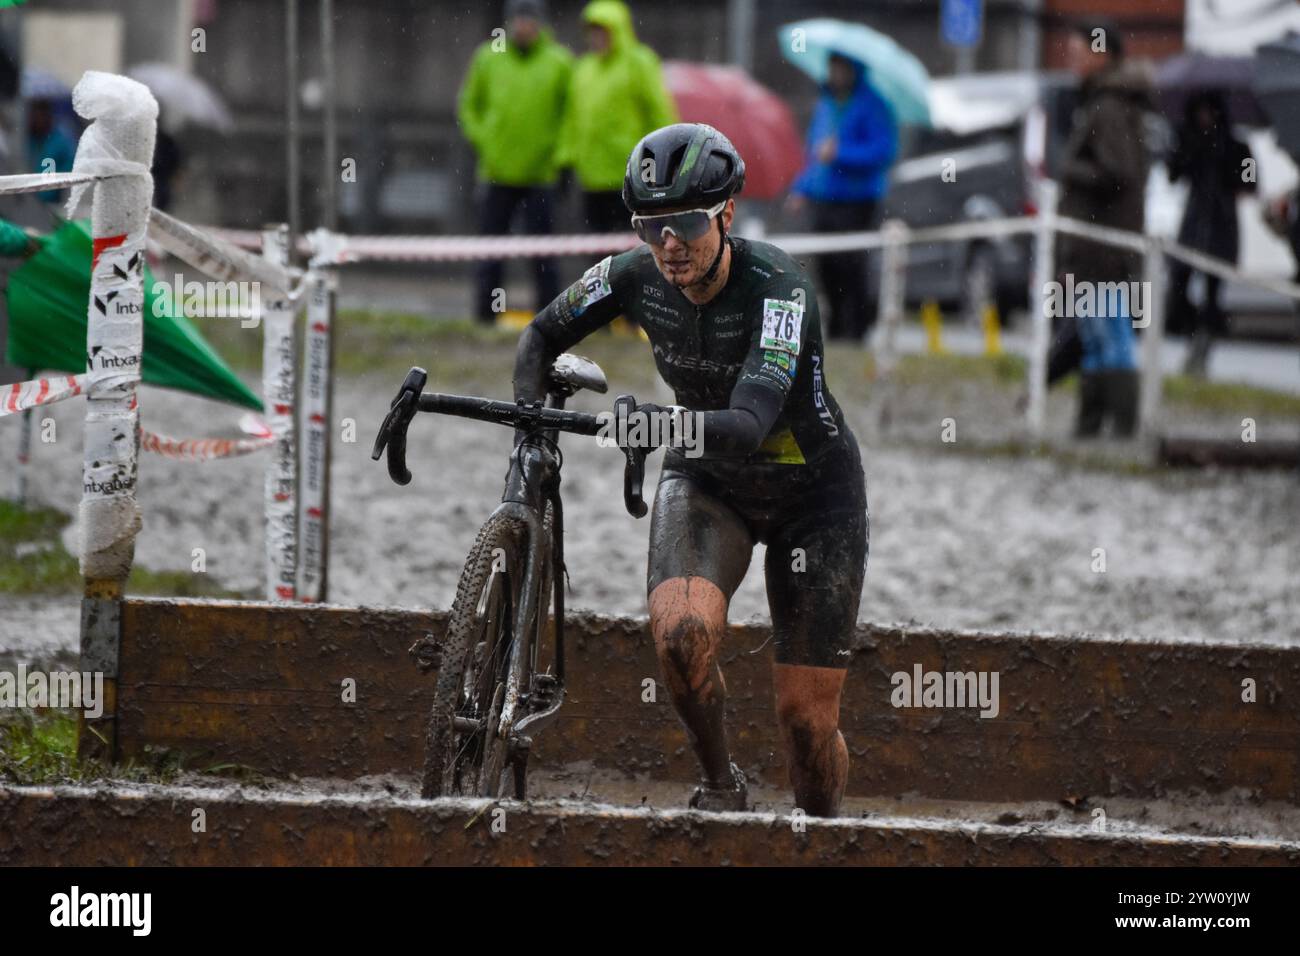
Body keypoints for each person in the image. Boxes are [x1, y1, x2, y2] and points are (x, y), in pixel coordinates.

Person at [513, 124, 869, 816]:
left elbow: (747, 425)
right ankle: (719, 786)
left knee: (805, 724)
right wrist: (532, 430)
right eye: (651, 227)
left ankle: (823, 833)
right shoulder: (633, 274)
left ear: (727, 214)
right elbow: (539, 334)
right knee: (679, 636)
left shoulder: (781, 291)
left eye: (685, 223)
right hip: (709, 483)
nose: (669, 244)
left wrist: (657, 422)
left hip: (814, 496)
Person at [1045, 20, 1152, 438]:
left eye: (1079, 51)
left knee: (1113, 338)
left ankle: (1123, 428)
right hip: (1093, 246)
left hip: (1105, 245)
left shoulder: (1107, 107)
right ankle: (1090, 426)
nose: (1073, 59)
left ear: (1102, 54)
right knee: (1093, 339)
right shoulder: (1102, 102)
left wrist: (1070, 169)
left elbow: (1120, 171)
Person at [458, 0, 572, 322]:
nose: (523, 27)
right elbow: (468, 106)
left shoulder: (559, 62)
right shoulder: (487, 58)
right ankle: (485, 316)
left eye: (530, 20)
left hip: (540, 174)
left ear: (540, 24)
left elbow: (569, 115)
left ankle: (551, 320)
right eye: (518, 20)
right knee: (491, 251)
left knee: (544, 254)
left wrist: (562, 158)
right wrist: (487, 141)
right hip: (497, 173)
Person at [787, 51, 897, 342]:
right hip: (824, 198)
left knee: (853, 264)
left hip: (857, 200)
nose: (836, 74)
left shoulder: (873, 105)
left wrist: (842, 154)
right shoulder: (825, 104)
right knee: (827, 265)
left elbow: (883, 151)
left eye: (842, 68)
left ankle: (856, 329)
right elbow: (813, 155)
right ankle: (835, 329)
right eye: (833, 68)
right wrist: (801, 189)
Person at [557, 0, 677, 232]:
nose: (596, 37)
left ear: (618, 30)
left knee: (635, 243)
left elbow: (658, 111)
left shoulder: (639, 62)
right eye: (592, 31)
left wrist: (666, 157)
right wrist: (565, 159)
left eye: (602, 30)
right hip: (592, 178)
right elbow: (572, 119)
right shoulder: (583, 69)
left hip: (632, 175)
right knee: (597, 249)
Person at [1165, 89, 1254, 375]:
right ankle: (1194, 334)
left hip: (1221, 226)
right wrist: (1188, 148)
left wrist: (1227, 162)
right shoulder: (1189, 140)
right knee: (1178, 287)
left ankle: (1204, 344)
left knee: (1213, 294)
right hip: (1193, 224)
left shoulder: (1236, 146)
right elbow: (1173, 174)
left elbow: (1250, 183)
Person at [25, 98, 76, 205]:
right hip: (31, 198)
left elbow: (70, 165)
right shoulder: (29, 139)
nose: (37, 120)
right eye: (34, 117)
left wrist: (53, 186)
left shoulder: (60, 141)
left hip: (54, 200)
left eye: (40, 116)